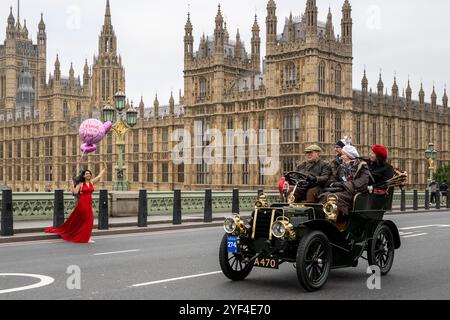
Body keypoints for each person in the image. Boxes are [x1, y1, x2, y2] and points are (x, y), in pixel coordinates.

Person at [45, 166, 106, 244]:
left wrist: (104, 170)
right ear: (83, 176)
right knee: (87, 220)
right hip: (82, 203)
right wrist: (72, 184)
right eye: (86, 174)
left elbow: (99, 176)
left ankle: (86, 236)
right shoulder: (80, 184)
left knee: (89, 220)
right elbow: (75, 192)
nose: (88, 175)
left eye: (89, 173)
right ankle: (86, 238)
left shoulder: (91, 182)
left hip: (89, 203)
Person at [320, 145, 370, 219]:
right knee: (324, 195)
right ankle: (325, 218)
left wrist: (344, 184)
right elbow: (334, 178)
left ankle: (341, 218)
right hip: (341, 191)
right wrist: (332, 183)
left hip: (354, 192)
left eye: (343, 154)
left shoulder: (362, 166)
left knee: (333, 197)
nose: (341, 157)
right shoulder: (341, 167)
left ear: (349, 156)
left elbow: (363, 182)